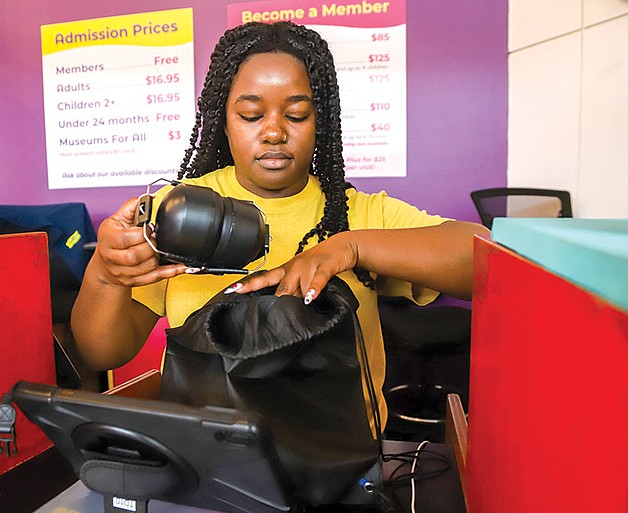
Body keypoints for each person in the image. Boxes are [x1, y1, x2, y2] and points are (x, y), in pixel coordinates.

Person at [71, 20, 489, 429]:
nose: (273, 132)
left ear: (319, 122)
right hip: (209, 455)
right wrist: (106, 277)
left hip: (340, 459)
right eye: (251, 115)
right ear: (224, 119)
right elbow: (103, 353)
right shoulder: (181, 211)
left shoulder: (355, 213)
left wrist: (349, 247)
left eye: (297, 114)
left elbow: (486, 260)